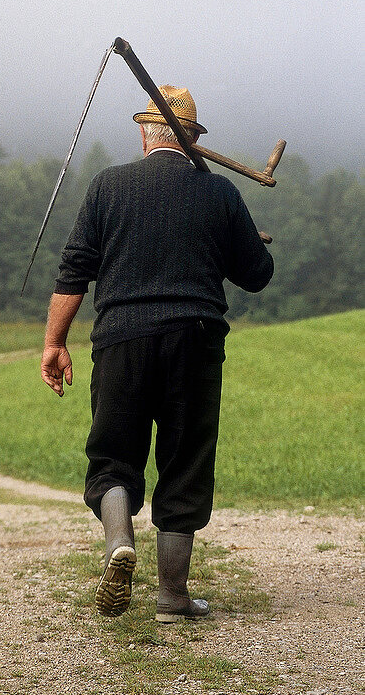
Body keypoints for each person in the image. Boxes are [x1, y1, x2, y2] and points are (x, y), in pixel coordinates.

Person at [40, 86, 274, 621]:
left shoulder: (108, 186)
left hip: (121, 339)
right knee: (184, 459)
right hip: (195, 339)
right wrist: (238, 243)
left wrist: (55, 343)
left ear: (146, 133)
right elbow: (257, 276)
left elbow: (74, 271)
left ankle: (119, 542)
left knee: (114, 454)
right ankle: (172, 597)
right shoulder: (218, 194)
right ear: (191, 139)